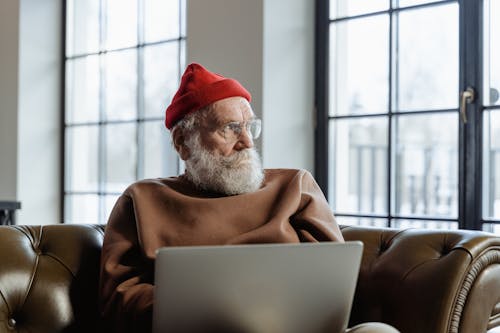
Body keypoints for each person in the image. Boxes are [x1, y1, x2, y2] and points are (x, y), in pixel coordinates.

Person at [99, 63, 399, 333]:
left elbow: (339, 282)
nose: (246, 141)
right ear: (183, 143)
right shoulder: (142, 199)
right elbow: (118, 299)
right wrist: (204, 311)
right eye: (230, 129)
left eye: (250, 126)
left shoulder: (294, 185)